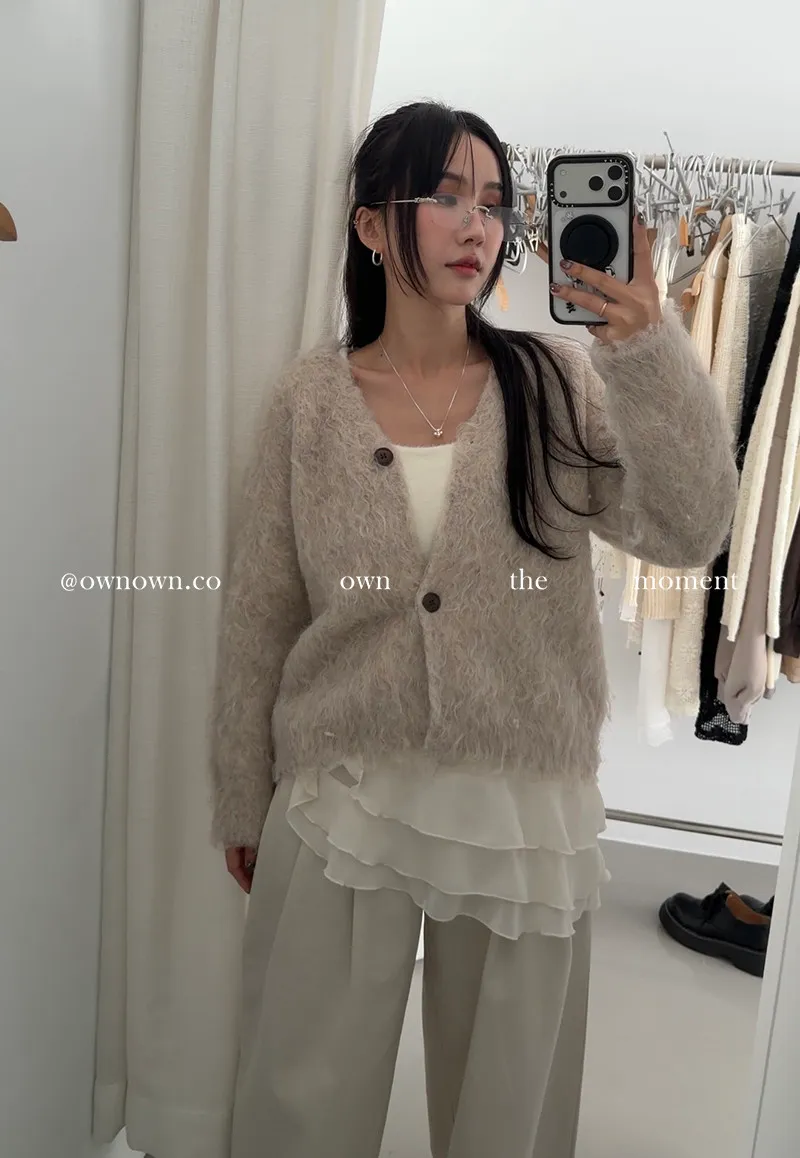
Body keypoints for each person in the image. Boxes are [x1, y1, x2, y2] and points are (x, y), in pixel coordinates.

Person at [209, 100, 739, 1158]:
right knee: (300, 1098)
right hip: (344, 791)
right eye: (446, 196)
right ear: (371, 224)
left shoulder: (554, 382)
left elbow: (689, 528)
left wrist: (647, 350)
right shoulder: (309, 405)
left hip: (520, 807)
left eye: (494, 204)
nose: (477, 226)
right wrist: (241, 792)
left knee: (509, 1115)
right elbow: (261, 612)